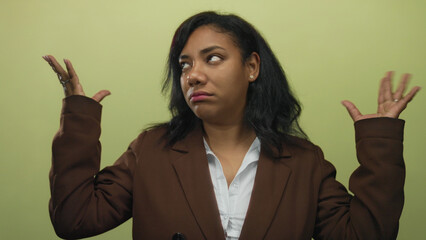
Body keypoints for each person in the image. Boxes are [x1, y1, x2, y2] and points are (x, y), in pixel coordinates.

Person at [44, 11, 420, 240]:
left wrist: (380, 144)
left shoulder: (303, 161)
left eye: (213, 58)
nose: (193, 75)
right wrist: (78, 115)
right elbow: (74, 218)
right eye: (185, 65)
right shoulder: (150, 150)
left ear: (252, 67)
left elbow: (365, 235)